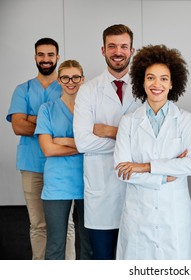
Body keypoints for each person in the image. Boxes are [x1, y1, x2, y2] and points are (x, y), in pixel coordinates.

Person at [114, 44, 191, 260]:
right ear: (142, 82)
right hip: (138, 214)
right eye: (150, 77)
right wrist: (165, 175)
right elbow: (122, 171)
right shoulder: (129, 122)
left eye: (163, 78)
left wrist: (145, 167)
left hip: (174, 215)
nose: (157, 84)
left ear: (172, 84)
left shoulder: (183, 119)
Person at [73, 24, 141, 260]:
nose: (118, 51)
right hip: (101, 191)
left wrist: (109, 131)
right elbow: (83, 142)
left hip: (138, 188)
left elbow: (151, 140)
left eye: (123, 46)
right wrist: (130, 139)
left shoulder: (147, 87)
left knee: (134, 259)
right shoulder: (88, 91)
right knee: (102, 259)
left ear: (132, 50)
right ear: (103, 50)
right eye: (112, 46)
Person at [6, 38, 75, 260]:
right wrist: (51, 126)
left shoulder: (67, 86)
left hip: (63, 166)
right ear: (35, 57)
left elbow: (73, 129)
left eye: (50, 55)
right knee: (38, 224)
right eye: (41, 55)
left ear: (57, 57)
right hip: (31, 165)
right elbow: (18, 125)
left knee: (67, 224)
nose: (46, 59)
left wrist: (33, 119)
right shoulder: (23, 89)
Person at [35, 60, 92, 260]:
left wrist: (65, 141)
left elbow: (100, 143)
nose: (71, 81)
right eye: (65, 77)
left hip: (88, 182)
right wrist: (83, 146)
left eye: (76, 77)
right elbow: (48, 149)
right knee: (55, 245)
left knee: (89, 245)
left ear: (83, 79)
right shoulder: (47, 109)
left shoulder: (90, 110)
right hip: (57, 184)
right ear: (59, 80)